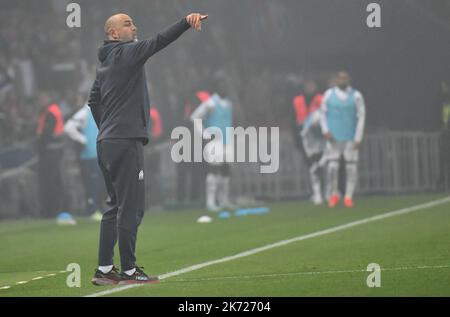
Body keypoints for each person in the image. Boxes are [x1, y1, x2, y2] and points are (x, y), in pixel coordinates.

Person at [88, 12, 208, 285]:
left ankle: (105, 269)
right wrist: (185, 22)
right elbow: (158, 41)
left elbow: (93, 100)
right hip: (124, 141)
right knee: (131, 207)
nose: (134, 26)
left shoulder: (105, 63)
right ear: (113, 34)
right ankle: (129, 271)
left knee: (114, 206)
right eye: (127, 23)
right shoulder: (126, 53)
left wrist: (106, 128)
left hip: (107, 142)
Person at [320, 71, 366, 208]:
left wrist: (358, 137)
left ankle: (348, 196)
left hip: (350, 135)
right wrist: (325, 131)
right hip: (333, 137)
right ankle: (334, 194)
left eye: (344, 78)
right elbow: (322, 113)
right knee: (332, 167)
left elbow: (362, 116)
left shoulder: (356, 96)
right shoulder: (328, 94)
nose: (342, 80)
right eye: (339, 78)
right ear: (336, 80)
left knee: (351, 167)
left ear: (349, 80)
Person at [191, 79, 234, 212]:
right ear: (217, 87)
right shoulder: (210, 103)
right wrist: (205, 134)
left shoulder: (228, 103)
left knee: (226, 171)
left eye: (226, 85)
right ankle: (210, 202)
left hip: (227, 140)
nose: (225, 88)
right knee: (213, 170)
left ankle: (224, 200)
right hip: (215, 141)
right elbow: (195, 117)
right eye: (222, 85)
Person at [64, 101, 104, 220]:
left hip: (100, 154)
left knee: (100, 183)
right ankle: (92, 209)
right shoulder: (84, 112)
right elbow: (68, 127)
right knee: (92, 183)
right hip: (89, 155)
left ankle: (98, 208)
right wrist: (83, 140)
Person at [36, 92, 65, 218]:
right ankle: (55, 209)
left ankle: (51, 211)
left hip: (50, 152)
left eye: (42, 98)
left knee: (49, 182)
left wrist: (38, 146)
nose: (40, 101)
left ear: (47, 98)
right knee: (54, 181)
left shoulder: (50, 112)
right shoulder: (51, 110)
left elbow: (46, 134)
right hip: (54, 151)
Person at [300, 109, 327, 205]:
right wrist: (309, 156)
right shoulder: (307, 130)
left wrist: (321, 163)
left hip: (325, 151)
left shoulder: (327, 127)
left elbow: (331, 147)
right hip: (314, 151)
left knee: (329, 170)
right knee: (313, 171)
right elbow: (305, 141)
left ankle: (329, 193)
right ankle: (317, 194)